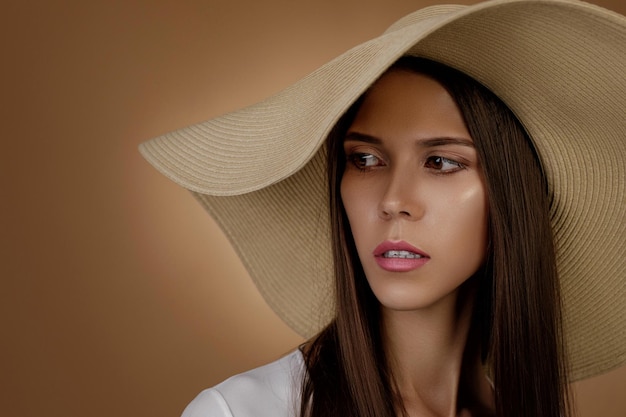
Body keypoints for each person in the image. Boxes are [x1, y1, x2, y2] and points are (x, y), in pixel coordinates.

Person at [139, 0, 626, 416]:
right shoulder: (244, 412)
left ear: (512, 195)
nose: (393, 200)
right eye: (366, 159)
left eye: (440, 161)